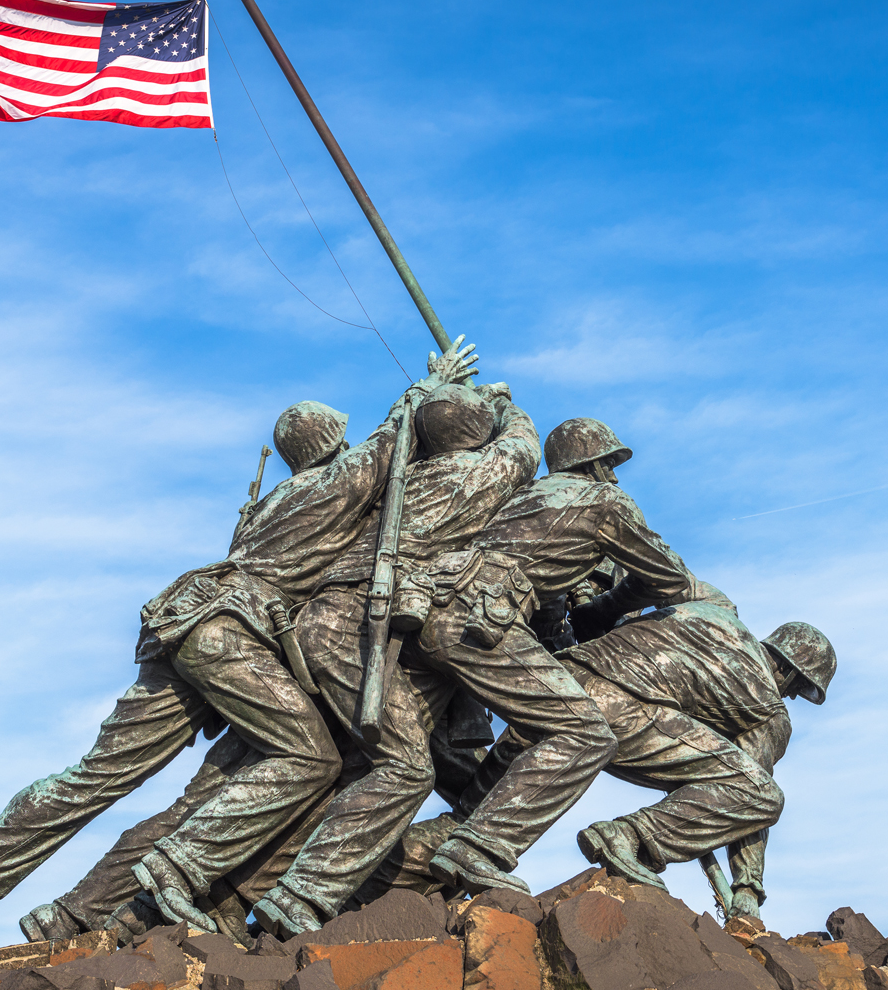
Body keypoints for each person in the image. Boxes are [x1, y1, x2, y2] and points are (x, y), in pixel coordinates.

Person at [0, 346, 477, 959]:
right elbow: (392, 444)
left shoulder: (273, 502)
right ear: (334, 440)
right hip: (228, 635)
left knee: (97, 777)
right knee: (311, 758)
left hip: (182, 625)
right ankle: (182, 867)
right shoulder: (333, 484)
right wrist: (428, 387)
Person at [254, 393, 632, 935]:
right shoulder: (478, 474)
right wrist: (505, 404)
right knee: (406, 767)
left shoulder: (391, 482)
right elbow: (521, 447)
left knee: (364, 766)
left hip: (347, 621)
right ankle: (305, 893)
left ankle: (277, 888)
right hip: (365, 621)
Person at [466, 581, 834, 913]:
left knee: (470, 820)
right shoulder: (770, 709)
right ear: (789, 673)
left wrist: (597, 613)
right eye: (799, 689)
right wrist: (748, 888)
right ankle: (628, 836)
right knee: (763, 795)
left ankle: (424, 871)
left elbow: (650, 579)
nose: (794, 698)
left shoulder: (714, 604)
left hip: (557, 683)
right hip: (615, 709)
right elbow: (745, 790)